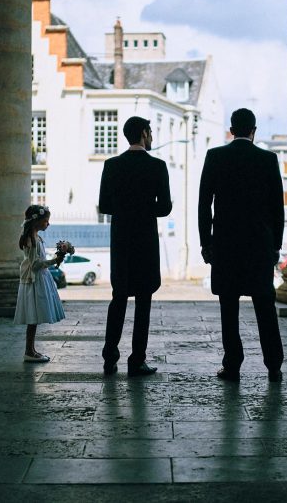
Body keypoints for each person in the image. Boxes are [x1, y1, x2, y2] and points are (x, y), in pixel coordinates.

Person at [199, 108, 285, 382]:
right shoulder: (268, 159)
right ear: (254, 131)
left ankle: (233, 364)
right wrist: (276, 245)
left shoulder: (215, 157)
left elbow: (204, 205)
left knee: (229, 307)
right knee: (265, 306)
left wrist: (206, 243)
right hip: (259, 246)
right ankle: (273, 364)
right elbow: (277, 208)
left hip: (226, 246)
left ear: (231, 130)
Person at [98, 116, 172, 377]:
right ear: (143, 133)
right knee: (143, 301)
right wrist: (143, 208)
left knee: (118, 298)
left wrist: (125, 207)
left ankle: (110, 357)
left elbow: (104, 206)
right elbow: (164, 207)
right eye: (150, 132)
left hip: (121, 240)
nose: (151, 137)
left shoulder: (112, 165)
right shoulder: (157, 166)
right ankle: (136, 360)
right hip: (145, 242)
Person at [14, 204, 68, 363]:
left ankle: (31, 350)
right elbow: (35, 264)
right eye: (46, 221)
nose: (48, 224)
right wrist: (54, 261)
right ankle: (29, 351)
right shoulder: (31, 239)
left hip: (38, 278)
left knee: (34, 318)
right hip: (34, 280)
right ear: (37, 222)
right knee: (33, 317)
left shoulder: (36, 237)